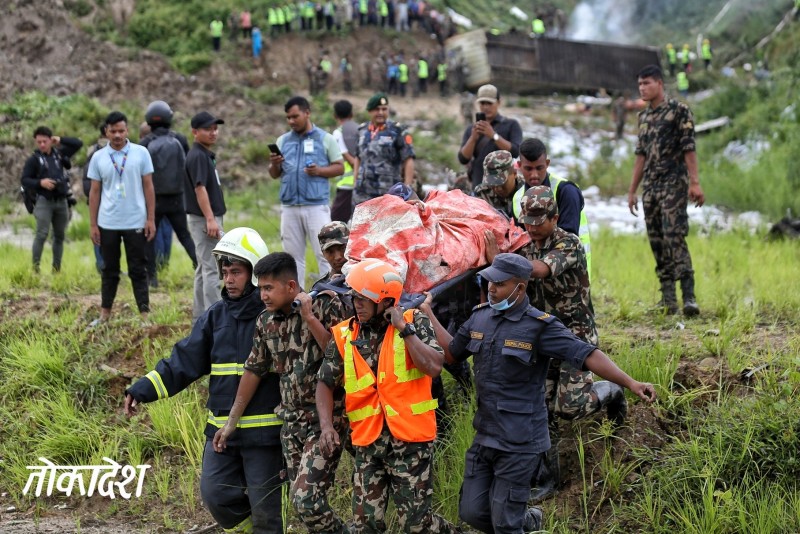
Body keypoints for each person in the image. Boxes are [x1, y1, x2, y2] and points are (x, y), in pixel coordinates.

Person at [422, 253, 657, 534]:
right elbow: (452, 353)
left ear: (520, 288)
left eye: (499, 284)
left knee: (504, 524)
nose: (492, 289)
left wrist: (630, 382)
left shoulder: (540, 326)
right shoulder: (480, 318)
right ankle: (529, 521)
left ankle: (516, 523)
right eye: (490, 283)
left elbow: (587, 354)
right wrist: (428, 315)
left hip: (520, 441)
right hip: (485, 435)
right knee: (472, 512)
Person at [124, 228, 283, 534]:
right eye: (225, 272)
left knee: (268, 513)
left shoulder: (275, 317)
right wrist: (143, 389)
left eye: (236, 272)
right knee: (215, 495)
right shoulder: (214, 317)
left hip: (265, 436)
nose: (228, 280)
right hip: (221, 432)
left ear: (254, 272)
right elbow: (183, 361)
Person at [486, 186, 627, 502]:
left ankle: (611, 391)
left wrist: (501, 261)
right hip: (542, 339)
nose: (533, 226)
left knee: (568, 407)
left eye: (539, 219)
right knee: (539, 408)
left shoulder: (568, 243)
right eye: (528, 219)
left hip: (575, 336)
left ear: (555, 218)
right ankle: (547, 478)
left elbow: (542, 270)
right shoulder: (526, 248)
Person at [316, 259, 459, 534]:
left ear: (385, 300)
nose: (357, 304)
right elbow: (324, 382)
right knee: (364, 525)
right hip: (368, 443)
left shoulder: (413, 321)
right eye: (354, 297)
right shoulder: (345, 334)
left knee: (417, 526)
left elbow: (434, 367)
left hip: (410, 442)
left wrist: (405, 331)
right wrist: (326, 426)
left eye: (364, 298)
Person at [212, 251, 349, 533]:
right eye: (260, 287)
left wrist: (309, 318)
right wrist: (231, 422)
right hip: (291, 425)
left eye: (268, 288)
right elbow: (254, 370)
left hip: (325, 420)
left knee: (306, 501)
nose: (262, 294)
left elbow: (341, 360)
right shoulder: (266, 321)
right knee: (302, 503)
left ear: (290, 286)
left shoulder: (326, 307)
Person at [628, 64, 705, 316]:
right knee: (657, 238)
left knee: (674, 235)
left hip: (674, 183)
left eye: (647, 83)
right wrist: (632, 191)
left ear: (659, 84)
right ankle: (668, 299)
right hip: (651, 185)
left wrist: (694, 182)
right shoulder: (644, 117)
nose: (642, 88)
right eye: (640, 84)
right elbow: (640, 155)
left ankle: (689, 296)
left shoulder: (679, 111)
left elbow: (689, 148)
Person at [87, 111, 155, 326]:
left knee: (138, 269)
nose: (117, 135)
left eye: (121, 130)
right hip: (108, 223)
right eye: (113, 131)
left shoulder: (141, 153)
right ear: (106, 131)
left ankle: (145, 316)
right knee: (109, 270)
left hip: (136, 221)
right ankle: (104, 315)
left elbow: (148, 186)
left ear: (127, 131)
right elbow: (94, 192)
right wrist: (93, 224)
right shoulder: (98, 157)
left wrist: (150, 218)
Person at [269, 96, 344, 286]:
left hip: (316, 206)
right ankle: (298, 300)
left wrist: (319, 171)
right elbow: (274, 174)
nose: (291, 121)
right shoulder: (283, 140)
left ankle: (331, 294)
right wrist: (274, 164)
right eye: (288, 118)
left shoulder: (325, 139)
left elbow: (340, 167)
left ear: (307, 113)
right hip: (290, 207)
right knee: (292, 258)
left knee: (324, 253)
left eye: (295, 116)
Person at [140, 100, 197, 288]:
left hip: (153, 200)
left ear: (149, 121)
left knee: (148, 237)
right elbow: (188, 164)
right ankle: (200, 267)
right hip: (176, 198)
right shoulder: (179, 139)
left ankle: (152, 278)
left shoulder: (145, 143)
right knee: (184, 235)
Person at [515, 138, 591, 276]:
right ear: (519, 165)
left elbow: (567, 242)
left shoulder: (566, 191)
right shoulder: (518, 197)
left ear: (547, 164)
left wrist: (510, 265)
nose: (534, 175)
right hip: (536, 278)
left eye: (539, 168)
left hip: (569, 273)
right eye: (528, 168)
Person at [20, 126, 82, 273]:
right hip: (44, 201)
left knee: (59, 236)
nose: (42, 144)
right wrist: (40, 183)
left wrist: (60, 140)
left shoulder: (59, 154)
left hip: (61, 201)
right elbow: (24, 180)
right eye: (39, 142)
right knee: (41, 234)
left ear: (51, 140)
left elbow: (78, 144)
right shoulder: (34, 160)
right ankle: (35, 269)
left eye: (45, 141)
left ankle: (56, 269)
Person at [186, 111, 227, 322]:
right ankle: (214, 317)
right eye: (207, 129)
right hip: (204, 219)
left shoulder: (204, 154)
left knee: (204, 267)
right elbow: (199, 188)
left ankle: (201, 316)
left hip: (204, 217)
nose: (213, 133)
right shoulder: (198, 156)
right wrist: (210, 219)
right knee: (212, 268)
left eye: (215, 128)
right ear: (195, 132)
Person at [351, 92, 416, 207]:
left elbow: (408, 159)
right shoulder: (362, 130)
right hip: (362, 193)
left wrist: (407, 187)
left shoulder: (397, 130)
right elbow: (358, 157)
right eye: (377, 109)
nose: (380, 112)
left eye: (384, 109)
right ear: (370, 111)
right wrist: (355, 180)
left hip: (388, 191)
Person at [458, 84, 522, 190]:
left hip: (505, 187)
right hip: (479, 185)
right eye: (482, 103)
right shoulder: (472, 129)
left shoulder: (511, 125)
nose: (486, 107)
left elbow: (515, 152)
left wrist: (493, 136)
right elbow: (463, 159)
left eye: (489, 103)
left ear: (499, 102)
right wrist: (473, 138)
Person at [473, 150, 525, 223]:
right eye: (492, 183)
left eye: (502, 183)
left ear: (514, 173)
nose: (498, 188)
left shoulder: (526, 189)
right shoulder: (482, 192)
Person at [83, 125, 108, 273]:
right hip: (99, 200)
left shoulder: (93, 150)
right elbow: (88, 182)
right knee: (99, 233)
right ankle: (102, 265)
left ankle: (106, 265)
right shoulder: (97, 153)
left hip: (105, 200)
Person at [331, 100, 359, 222]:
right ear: (352, 114)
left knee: (336, 222)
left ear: (335, 116)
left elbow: (348, 158)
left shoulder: (338, 133)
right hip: (359, 184)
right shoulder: (359, 130)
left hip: (347, 186)